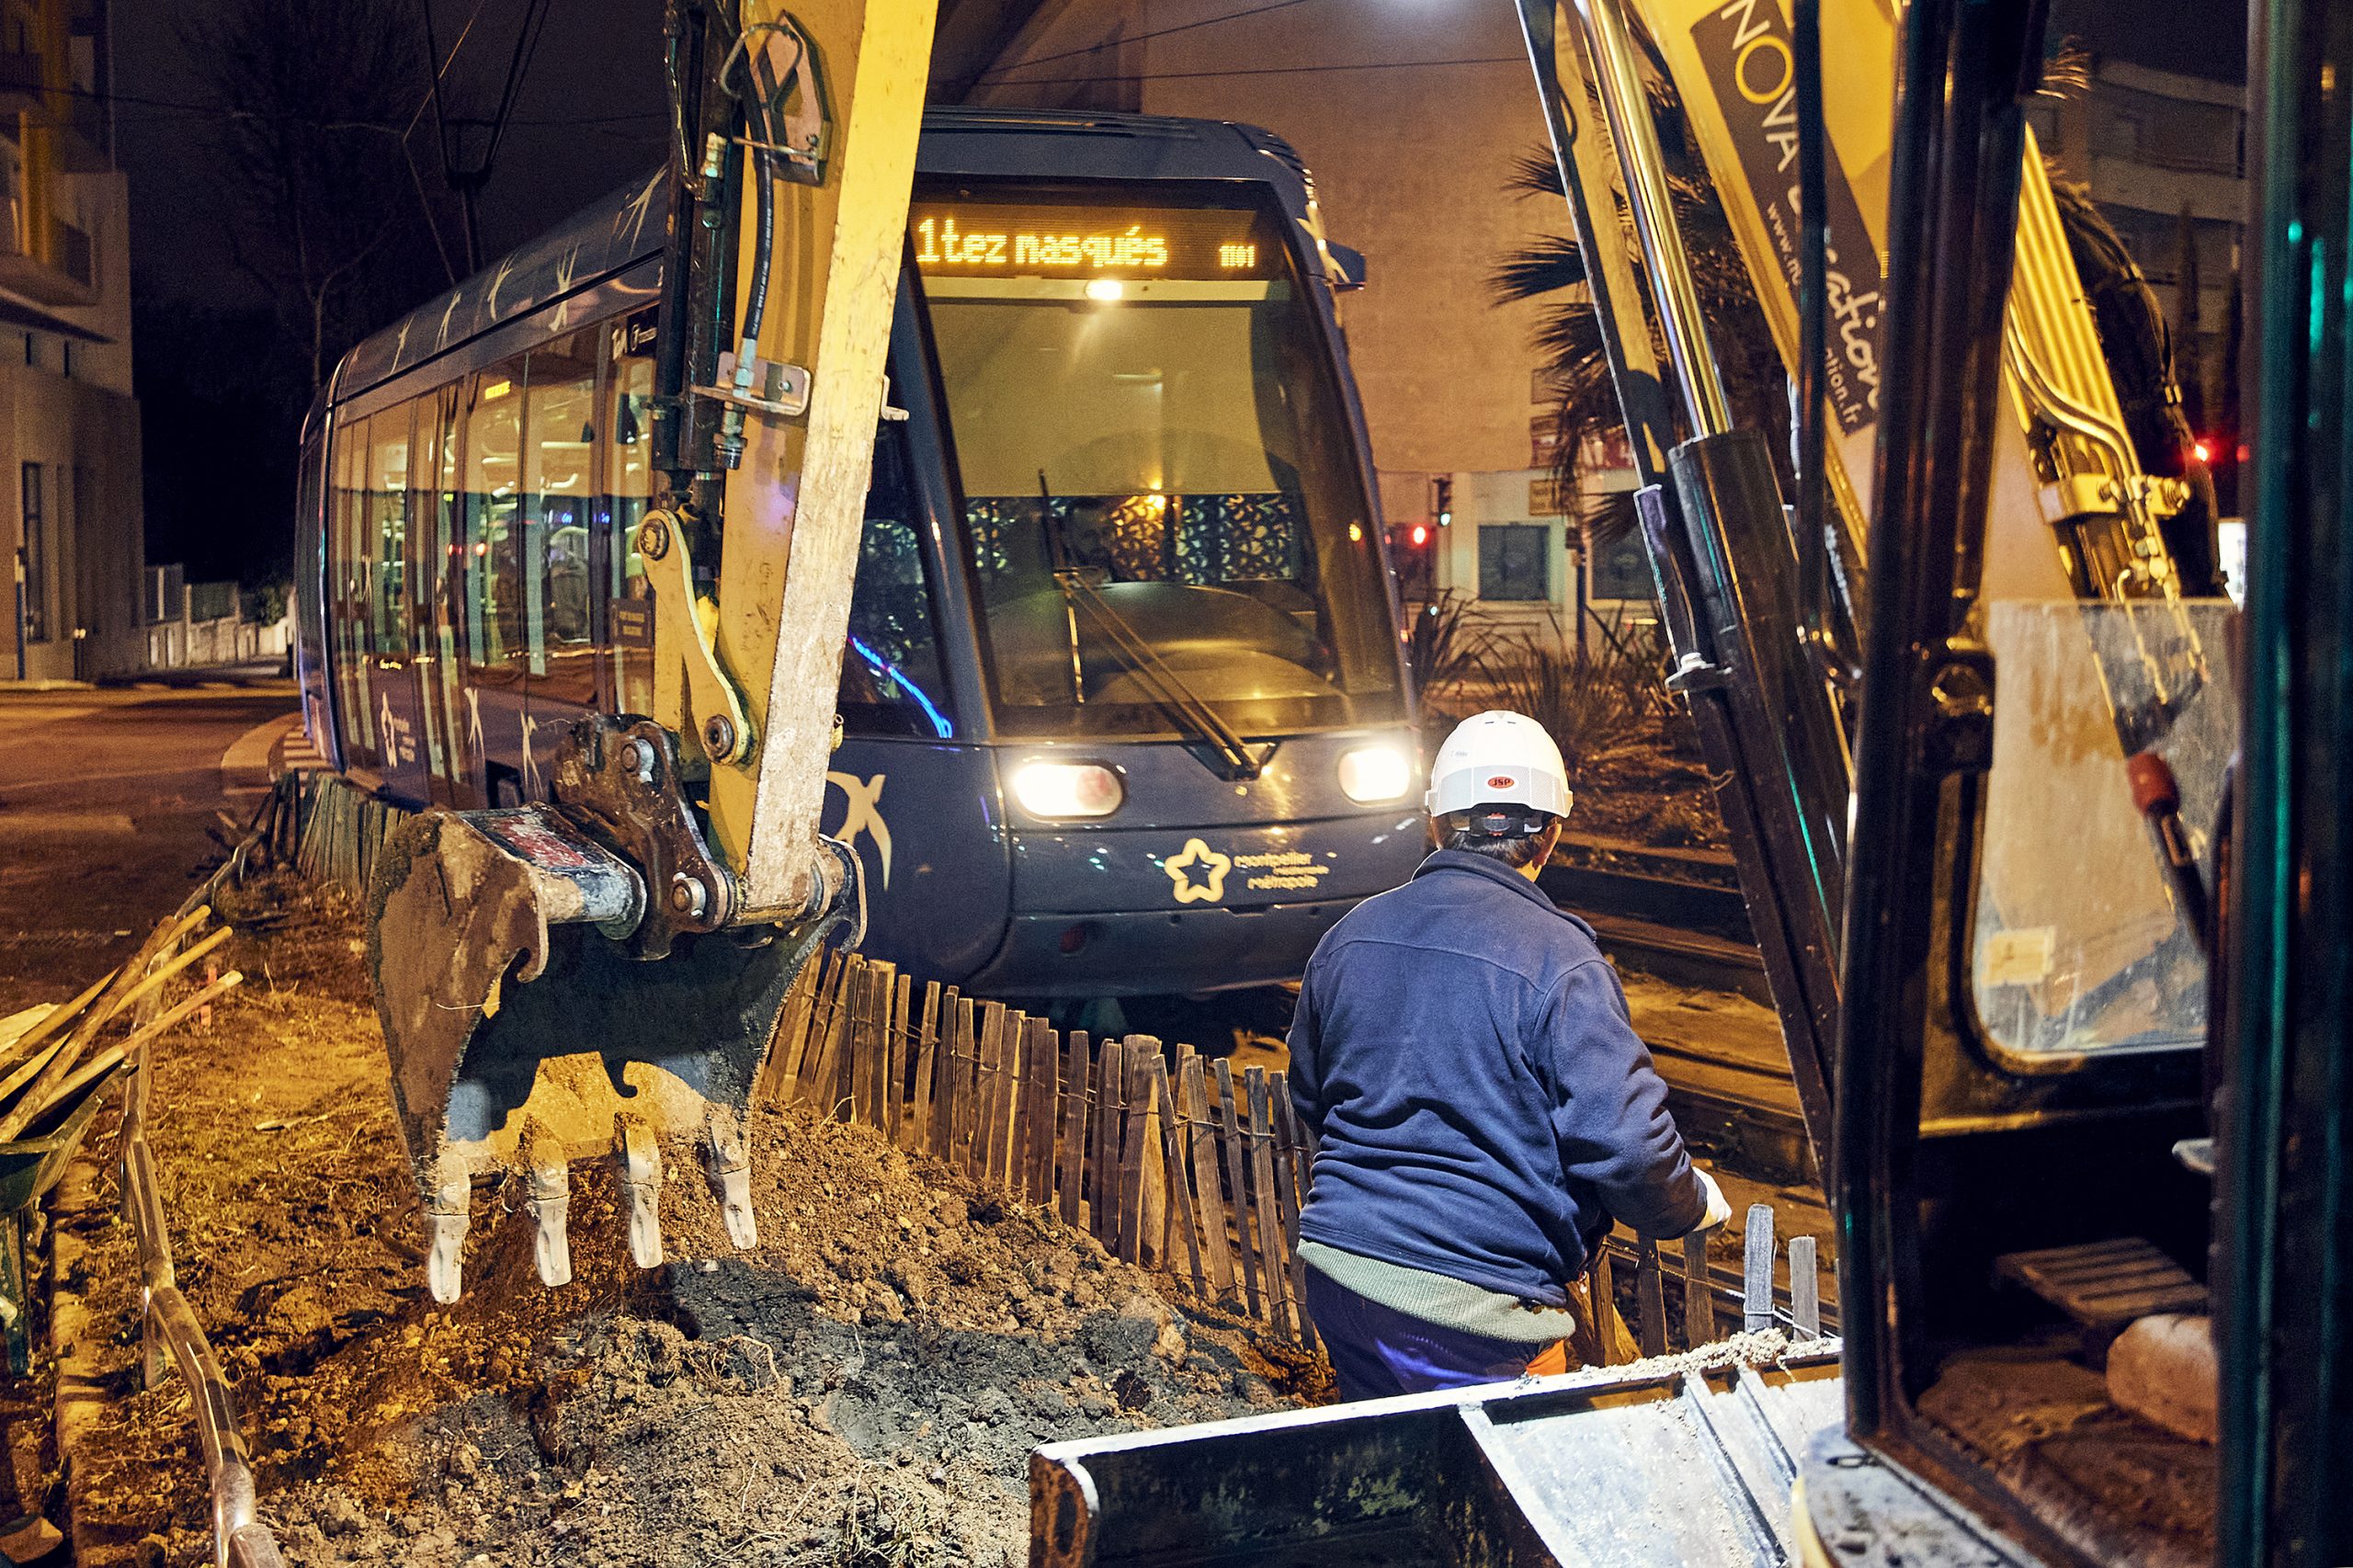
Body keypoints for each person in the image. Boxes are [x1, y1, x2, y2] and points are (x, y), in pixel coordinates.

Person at [1286, 710, 1731, 1399]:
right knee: (1500, 1487)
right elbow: (1631, 1148)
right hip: (1476, 1307)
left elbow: (1312, 1096)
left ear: (1435, 823)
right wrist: (1688, 1204)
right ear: (1550, 833)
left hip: (1341, 1271)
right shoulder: (1564, 961)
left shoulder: (1350, 936)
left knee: (1386, 1464)